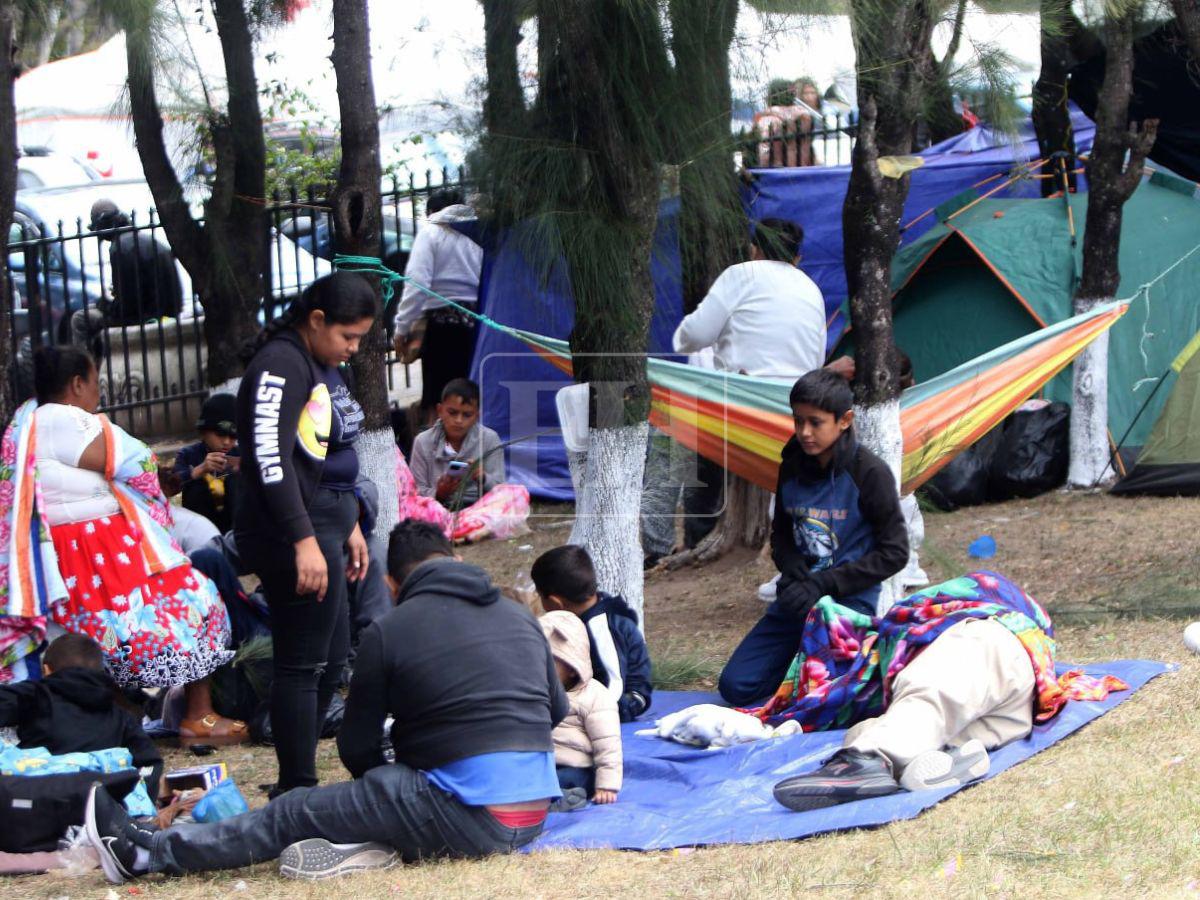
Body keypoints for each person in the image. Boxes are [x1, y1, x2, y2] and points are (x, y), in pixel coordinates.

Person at [85, 520, 568, 884]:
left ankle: (148, 853)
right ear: (456, 561)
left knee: (295, 810)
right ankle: (372, 834)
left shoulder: (391, 630)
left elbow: (357, 748)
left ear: (392, 586)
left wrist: (380, 784)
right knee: (379, 798)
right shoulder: (520, 617)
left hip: (470, 813)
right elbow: (556, 712)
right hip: (533, 814)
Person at [0, 346, 241, 743]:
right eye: (95, 383)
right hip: (102, 551)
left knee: (91, 640)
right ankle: (199, 716)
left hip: (62, 556)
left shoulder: (22, 425)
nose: (99, 395)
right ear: (77, 384)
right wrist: (155, 496)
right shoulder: (66, 420)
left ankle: (115, 718)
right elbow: (138, 462)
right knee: (196, 603)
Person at [762, 571, 1126, 810]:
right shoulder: (928, 647)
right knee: (936, 713)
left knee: (926, 696)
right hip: (1018, 689)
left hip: (994, 640)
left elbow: (931, 683)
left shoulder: (946, 632)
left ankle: (869, 759)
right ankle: (946, 758)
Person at [235, 271, 374, 797]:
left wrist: (352, 522)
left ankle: (299, 772)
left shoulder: (319, 361)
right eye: (348, 336)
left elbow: (327, 455)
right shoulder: (280, 364)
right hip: (295, 534)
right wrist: (303, 540)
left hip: (328, 528)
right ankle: (296, 787)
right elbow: (269, 459)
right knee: (304, 660)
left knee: (333, 656)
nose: (353, 349)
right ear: (316, 321)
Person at [718, 369, 909, 706]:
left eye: (816, 422)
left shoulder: (869, 473)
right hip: (797, 597)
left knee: (828, 698)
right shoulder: (791, 466)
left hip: (846, 604)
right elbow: (781, 535)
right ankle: (802, 663)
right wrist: (792, 570)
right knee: (736, 687)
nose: (805, 432)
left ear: (844, 420)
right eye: (798, 421)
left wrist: (826, 584)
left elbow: (895, 552)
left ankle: (839, 662)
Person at [663, 218, 829, 561]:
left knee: (697, 441)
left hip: (744, 401)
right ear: (797, 257)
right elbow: (816, 357)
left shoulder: (740, 275)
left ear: (755, 249)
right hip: (797, 406)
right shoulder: (810, 287)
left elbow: (692, 336)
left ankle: (699, 535)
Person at [0, 633, 162, 800]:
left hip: (38, 804)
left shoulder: (35, 695)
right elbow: (150, 763)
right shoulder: (120, 715)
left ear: (46, 670)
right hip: (98, 808)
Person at [531, 544, 653, 722]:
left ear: (556, 602)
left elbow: (613, 687)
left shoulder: (600, 628)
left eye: (539, 596)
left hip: (626, 700)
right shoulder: (584, 613)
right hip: (594, 690)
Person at [391, 189, 483, 421]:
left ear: (432, 212)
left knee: (439, 398)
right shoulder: (479, 233)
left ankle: (440, 452)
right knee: (473, 393)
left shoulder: (431, 232)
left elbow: (417, 284)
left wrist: (402, 327)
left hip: (441, 325)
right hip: (479, 323)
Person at [70, 200, 183, 350]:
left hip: (144, 317)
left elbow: (127, 306)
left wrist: (105, 304)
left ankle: (88, 367)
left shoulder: (119, 248)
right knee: (93, 308)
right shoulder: (147, 240)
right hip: (167, 311)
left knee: (80, 318)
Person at [540, 611, 622, 809]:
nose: (539, 667)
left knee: (566, 779)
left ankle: (563, 799)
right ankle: (542, 800)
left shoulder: (594, 695)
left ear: (571, 667)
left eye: (549, 663)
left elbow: (608, 743)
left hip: (576, 766)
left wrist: (607, 785)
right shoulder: (534, 691)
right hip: (541, 762)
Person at [410, 378, 505, 510]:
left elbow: (500, 489)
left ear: (477, 416)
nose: (459, 420)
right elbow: (415, 494)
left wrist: (482, 477)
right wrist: (439, 493)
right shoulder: (423, 441)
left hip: (480, 510)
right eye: (452, 413)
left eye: (467, 415)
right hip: (436, 510)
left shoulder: (489, 439)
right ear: (440, 411)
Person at [172, 393, 241, 533]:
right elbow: (172, 486)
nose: (227, 442)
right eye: (220, 434)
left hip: (234, 527)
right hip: (200, 527)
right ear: (204, 432)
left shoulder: (240, 454)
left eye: (233, 436)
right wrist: (199, 470)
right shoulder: (188, 455)